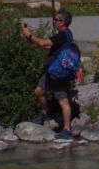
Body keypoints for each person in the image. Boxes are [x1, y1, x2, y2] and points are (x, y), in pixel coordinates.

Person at [22, 10, 80, 139]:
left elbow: (43, 43)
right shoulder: (66, 34)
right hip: (52, 70)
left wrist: (30, 36)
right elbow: (47, 46)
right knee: (39, 91)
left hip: (58, 73)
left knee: (63, 101)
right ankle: (45, 112)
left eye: (56, 19)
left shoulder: (62, 35)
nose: (54, 21)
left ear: (62, 23)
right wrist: (31, 38)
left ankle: (67, 129)